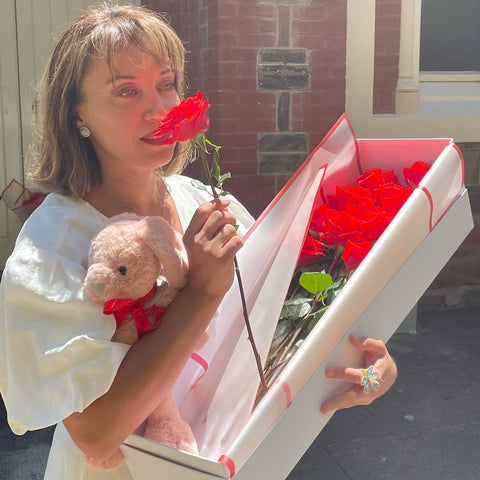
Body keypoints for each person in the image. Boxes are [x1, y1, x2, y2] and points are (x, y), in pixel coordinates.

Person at [0, 3, 397, 479]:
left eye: (166, 84)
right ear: (76, 113)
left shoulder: (202, 203)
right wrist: (202, 291)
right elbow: (95, 433)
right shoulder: (52, 248)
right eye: (126, 91)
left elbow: (274, 330)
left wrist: (367, 369)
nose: (159, 108)